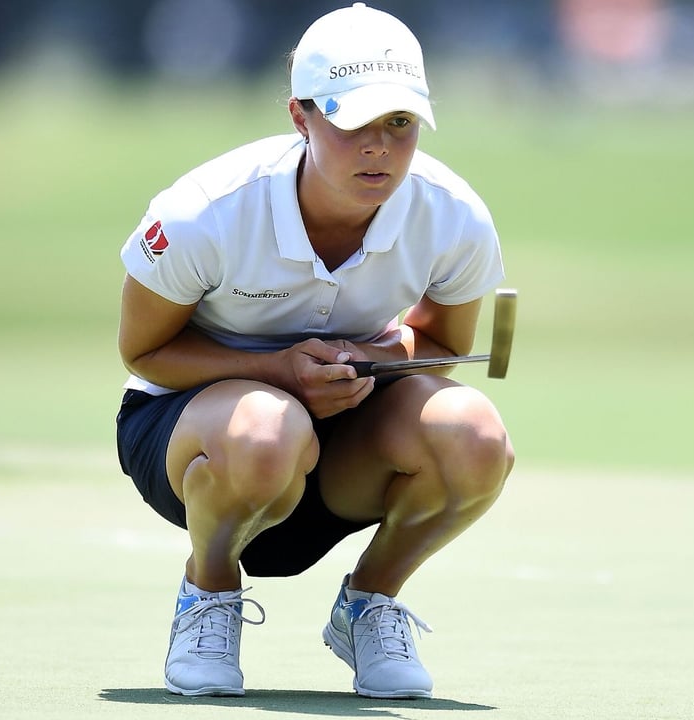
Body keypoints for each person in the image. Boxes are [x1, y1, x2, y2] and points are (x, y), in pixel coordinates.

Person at [115, 2, 514, 699]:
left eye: (400, 123)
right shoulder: (205, 211)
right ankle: (207, 594)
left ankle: (370, 603)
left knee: (475, 435)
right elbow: (145, 351)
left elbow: (444, 344)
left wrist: (368, 360)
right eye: (354, 121)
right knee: (269, 428)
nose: (380, 147)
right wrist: (278, 370)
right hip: (197, 443)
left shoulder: (452, 214)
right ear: (301, 116)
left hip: (342, 446)